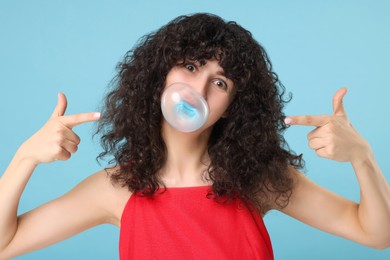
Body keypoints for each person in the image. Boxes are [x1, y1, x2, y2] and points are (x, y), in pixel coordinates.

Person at [0, 13, 389, 260]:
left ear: (233, 106)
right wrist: (24, 159)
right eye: (189, 66)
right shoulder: (114, 189)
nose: (197, 91)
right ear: (160, 76)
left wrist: (363, 158)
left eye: (219, 81)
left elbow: (376, 234)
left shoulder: (259, 180)